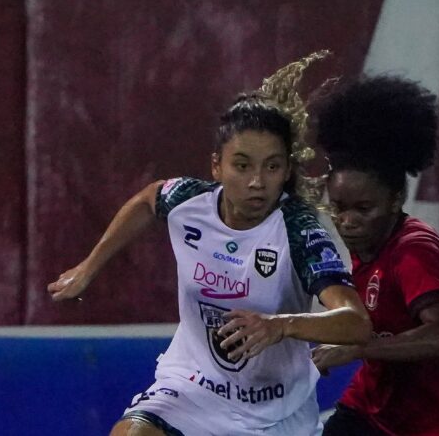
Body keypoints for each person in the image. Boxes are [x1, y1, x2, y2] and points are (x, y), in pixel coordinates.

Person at [47, 52, 372, 436]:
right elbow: (148, 200)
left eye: (271, 167)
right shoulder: (188, 202)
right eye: (242, 165)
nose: (257, 182)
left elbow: (355, 322)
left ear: (286, 170)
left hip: (276, 411)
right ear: (217, 166)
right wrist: (88, 267)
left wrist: (280, 326)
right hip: (193, 387)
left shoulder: (299, 230)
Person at [311, 76, 439, 435]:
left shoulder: (414, 251)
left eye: (363, 208)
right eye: (338, 207)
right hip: (376, 409)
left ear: (396, 198)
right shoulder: (367, 244)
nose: (347, 221)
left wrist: (357, 348)